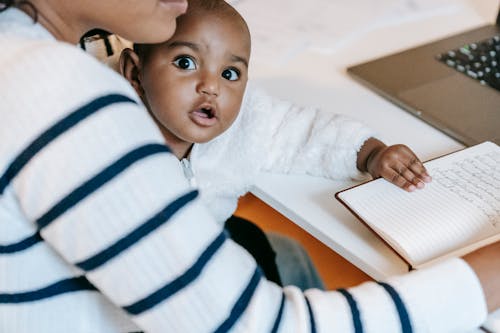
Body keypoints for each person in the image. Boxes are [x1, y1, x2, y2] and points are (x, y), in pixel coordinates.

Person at [0, 0, 498, 332]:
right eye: (185, 63)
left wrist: (368, 152)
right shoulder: (65, 98)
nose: (211, 86)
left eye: (231, 73)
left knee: (286, 252)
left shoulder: (31, 52)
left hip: (180, 260)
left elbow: (296, 129)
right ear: (134, 72)